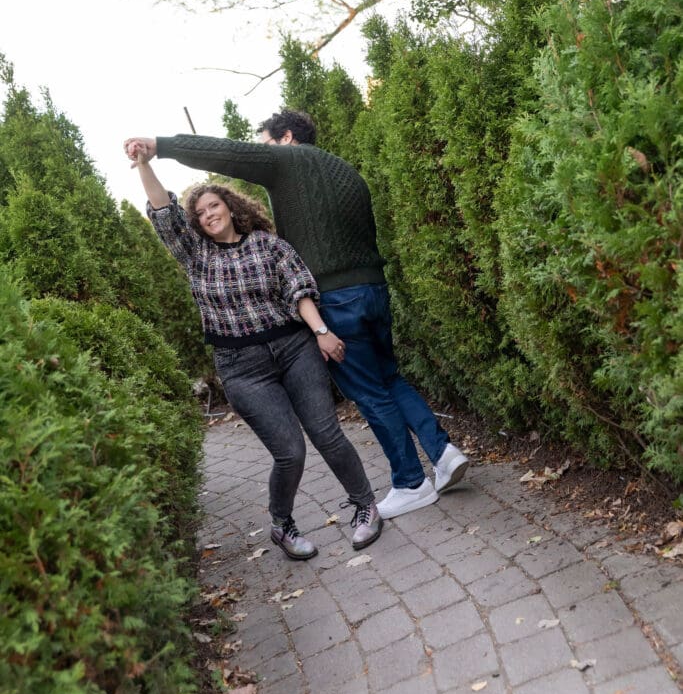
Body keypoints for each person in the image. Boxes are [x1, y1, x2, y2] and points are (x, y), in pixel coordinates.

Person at [124, 110, 469, 520]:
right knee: (389, 377)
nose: (264, 152)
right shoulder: (343, 169)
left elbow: (226, 153)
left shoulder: (287, 161)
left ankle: (410, 483)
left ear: (286, 138)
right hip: (372, 290)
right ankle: (443, 453)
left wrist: (159, 147)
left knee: (370, 392)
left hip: (336, 300)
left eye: (267, 143)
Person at [125, 139, 383, 559]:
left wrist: (320, 332)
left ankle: (365, 506)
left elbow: (299, 288)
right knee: (290, 451)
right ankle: (283, 525)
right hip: (242, 367)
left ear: (229, 206)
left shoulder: (269, 245)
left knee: (326, 433)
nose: (208, 215)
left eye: (213, 206)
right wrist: (143, 163)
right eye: (200, 212)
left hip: (294, 348)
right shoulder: (195, 254)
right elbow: (163, 213)